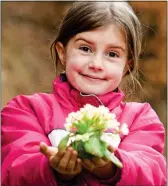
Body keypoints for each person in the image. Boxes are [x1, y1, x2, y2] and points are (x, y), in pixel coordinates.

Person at [1, 1, 166, 186]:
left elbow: (152, 174)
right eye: (85, 49)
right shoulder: (27, 110)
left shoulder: (141, 119)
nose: (96, 64)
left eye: (112, 54)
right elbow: (13, 172)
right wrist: (51, 169)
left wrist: (110, 167)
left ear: (127, 65)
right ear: (62, 52)